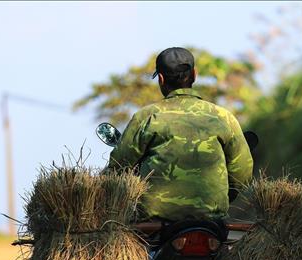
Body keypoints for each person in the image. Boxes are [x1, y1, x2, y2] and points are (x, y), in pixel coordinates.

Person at [107, 47, 253, 221]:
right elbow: (242, 173)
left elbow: (118, 167)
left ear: (160, 79)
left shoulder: (146, 117)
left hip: (154, 223)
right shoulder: (224, 117)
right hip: (211, 220)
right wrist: (223, 198)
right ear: (194, 75)